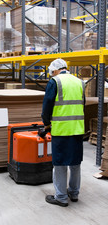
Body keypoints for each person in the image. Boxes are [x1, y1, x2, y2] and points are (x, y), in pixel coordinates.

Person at [41, 58, 85, 207]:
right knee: (75, 163)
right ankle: (74, 193)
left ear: (54, 70)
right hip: (77, 129)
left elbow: (47, 105)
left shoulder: (55, 82)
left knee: (59, 164)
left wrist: (46, 124)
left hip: (61, 130)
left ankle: (61, 197)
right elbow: (82, 104)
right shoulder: (80, 82)